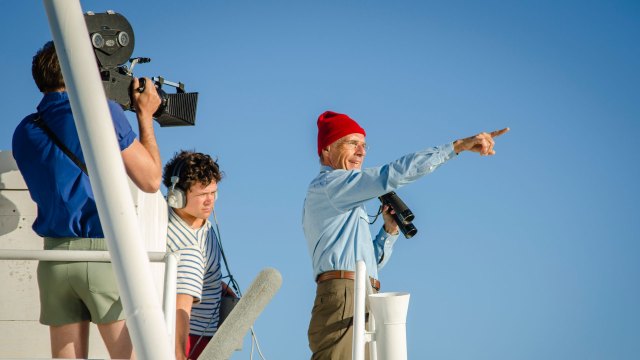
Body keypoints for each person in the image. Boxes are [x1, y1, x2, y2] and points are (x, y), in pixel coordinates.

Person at [303, 110, 509, 359]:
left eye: (364, 145)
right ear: (326, 150)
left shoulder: (345, 198)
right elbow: (391, 175)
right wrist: (456, 147)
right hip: (346, 294)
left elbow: (370, 263)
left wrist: (389, 231)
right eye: (352, 143)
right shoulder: (330, 186)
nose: (362, 151)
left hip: (364, 291)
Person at [12, 41, 162, 359]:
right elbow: (150, 180)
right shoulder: (102, 113)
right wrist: (144, 115)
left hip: (53, 260)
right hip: (100, 252)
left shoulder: (24, 130)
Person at [164, 150, 232, 360]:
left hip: (203, 337)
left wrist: (215, 283)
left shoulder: (205, 228)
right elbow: (180, 308)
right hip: (188, 340)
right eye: (202, 194)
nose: (210, 201)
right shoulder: (186, 246)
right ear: (178, 195)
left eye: (213, 193)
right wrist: (179, 355)